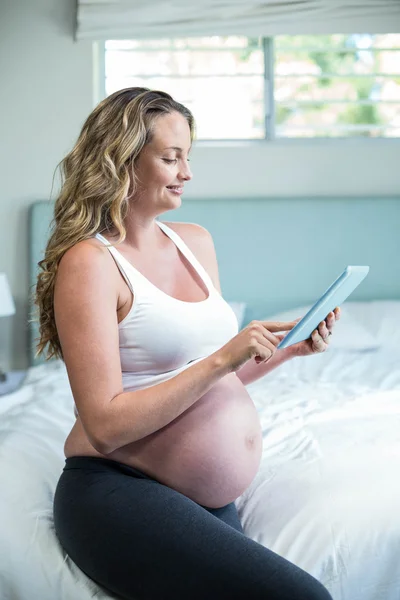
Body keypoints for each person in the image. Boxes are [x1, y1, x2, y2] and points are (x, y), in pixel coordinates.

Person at [34, 87, 339, 600]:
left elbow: (213, 380)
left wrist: (283, 349)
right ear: (122, 162)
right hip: (117, 487)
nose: (187, 173)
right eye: (171, 157)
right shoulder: (89, 263)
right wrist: (225, 354)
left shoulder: (194, 242)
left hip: (197, 497)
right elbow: (105, 426)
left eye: (188, 157)